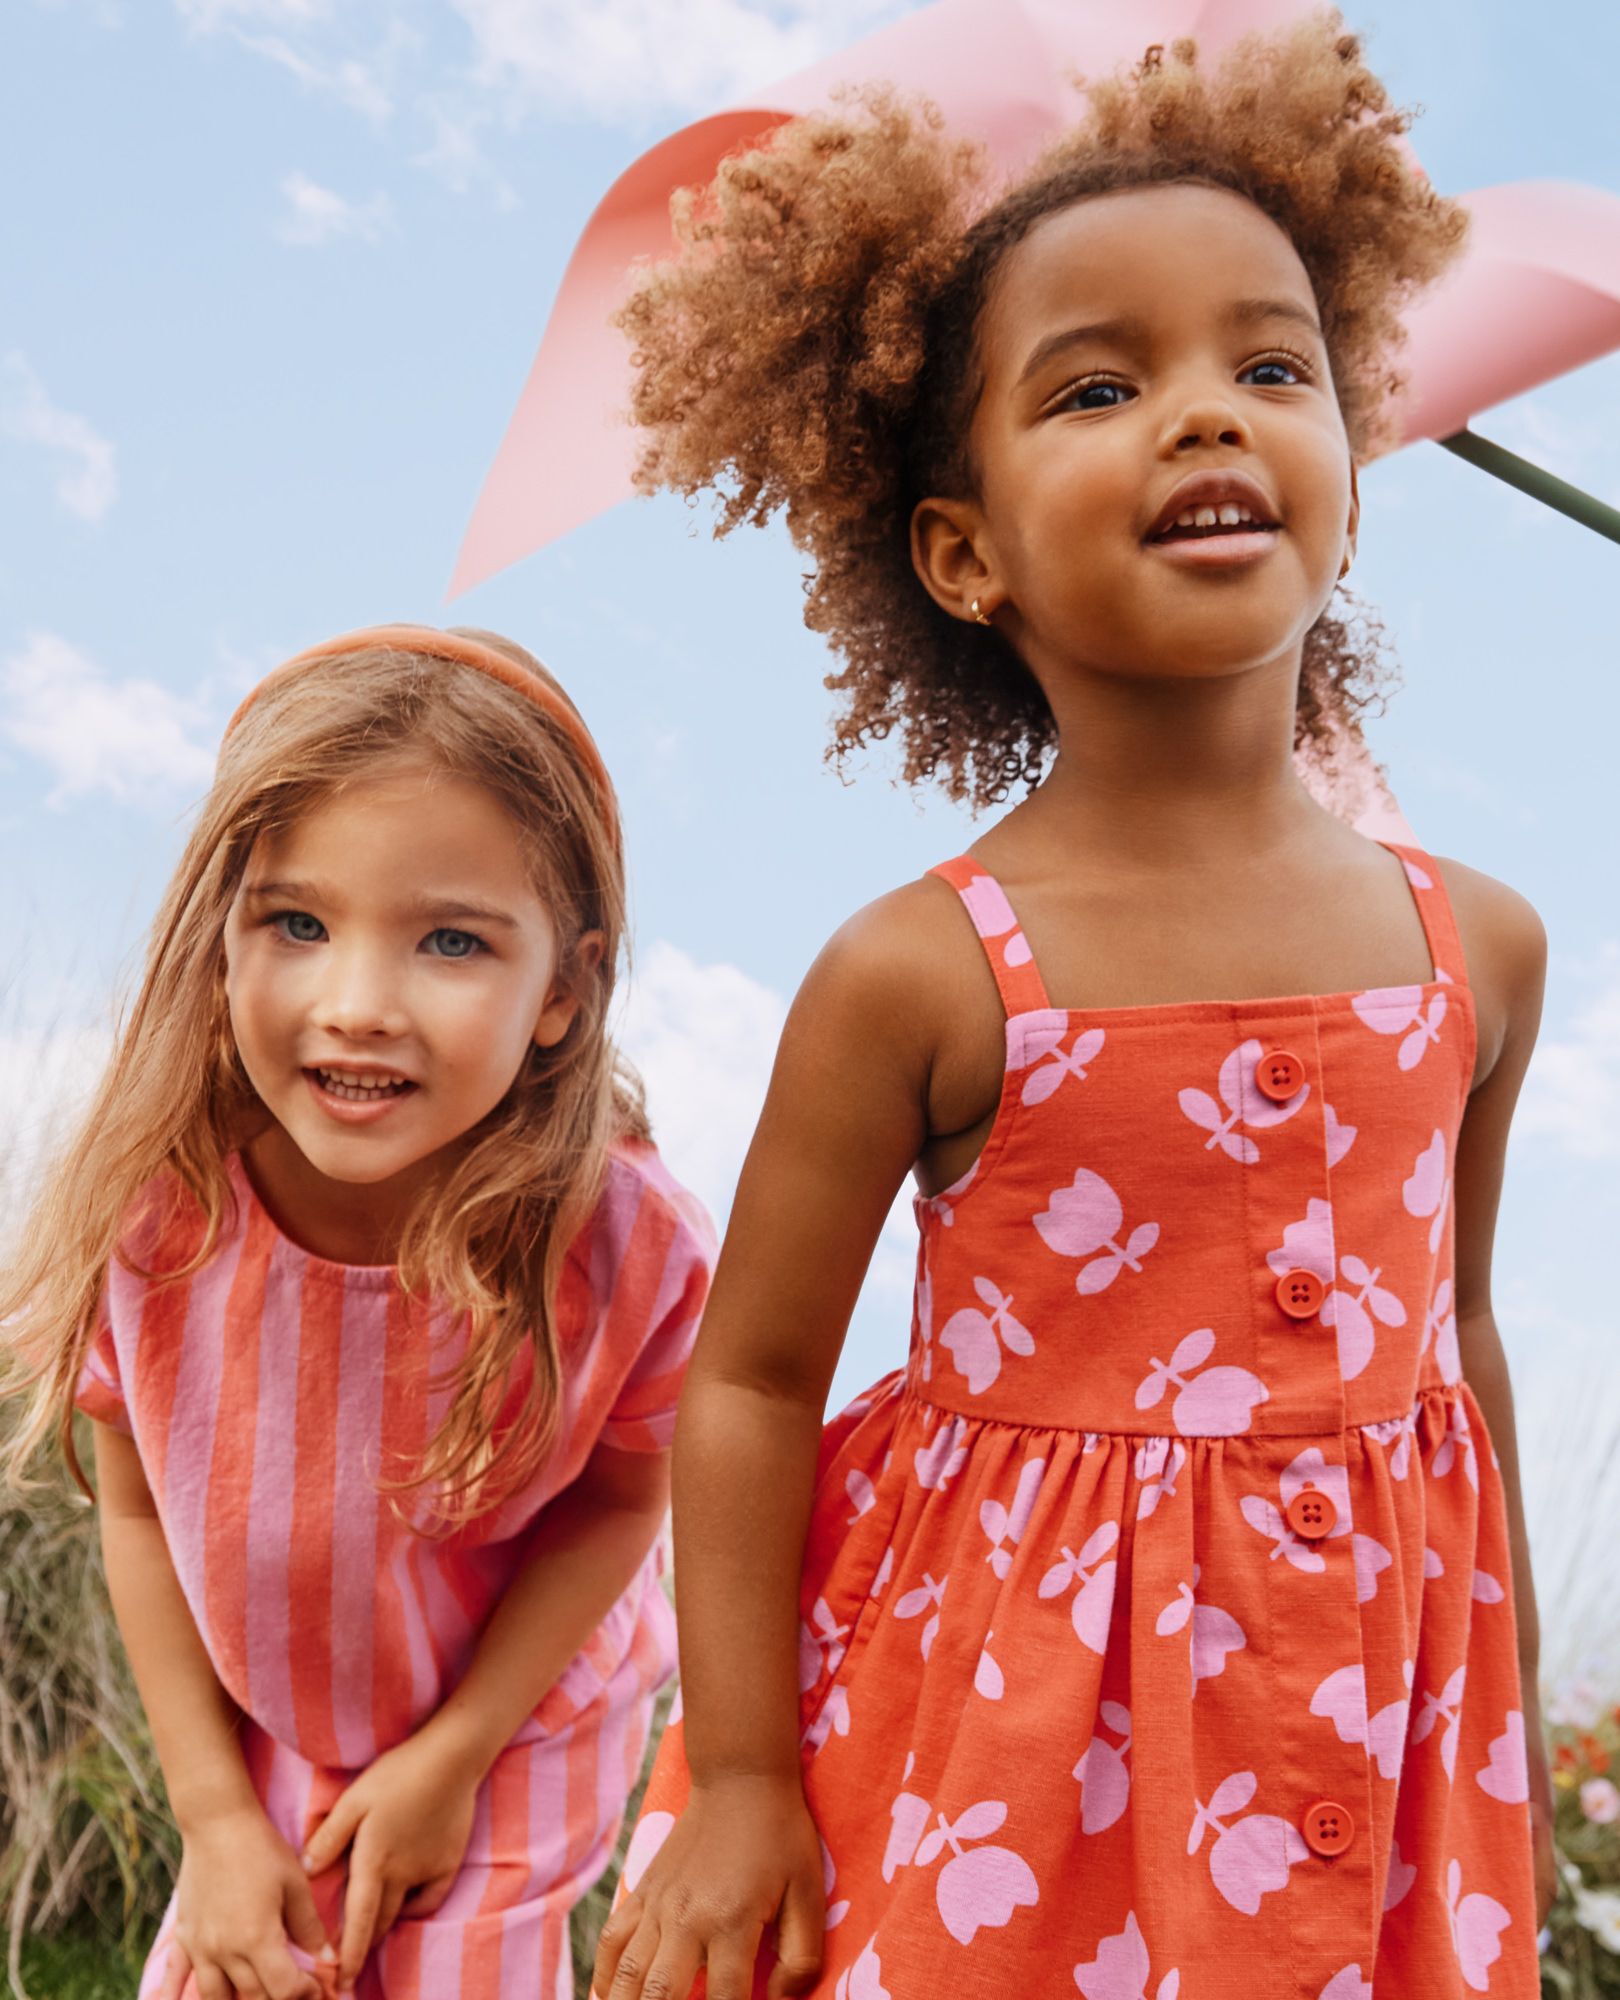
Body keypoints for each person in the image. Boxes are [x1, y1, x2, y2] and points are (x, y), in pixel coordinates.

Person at [590, 18, 1553, 2000]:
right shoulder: (919, 971)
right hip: (1011, 1743)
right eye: (1101, 384)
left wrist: (1503, 1704)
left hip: (1371, 1730)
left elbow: (1454, 1333)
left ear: (1350, 485)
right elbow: (757, 1381)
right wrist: (750, 1774)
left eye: (1269, 366)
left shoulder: (1484, 946)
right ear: (964, 552)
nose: (1206, 417)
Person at [0, 624, 716, 2000]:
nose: (357, 1006)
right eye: (299, 924)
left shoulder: (621, 1244)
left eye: (451, 940)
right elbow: (138, 1512)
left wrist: (451, 1758)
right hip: (276, 1721)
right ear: (221, 937)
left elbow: (623, 1508)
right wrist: (214, 1820)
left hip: (514, 1722)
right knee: (241, 1960)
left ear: (563, 989)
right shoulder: (160, 1210)